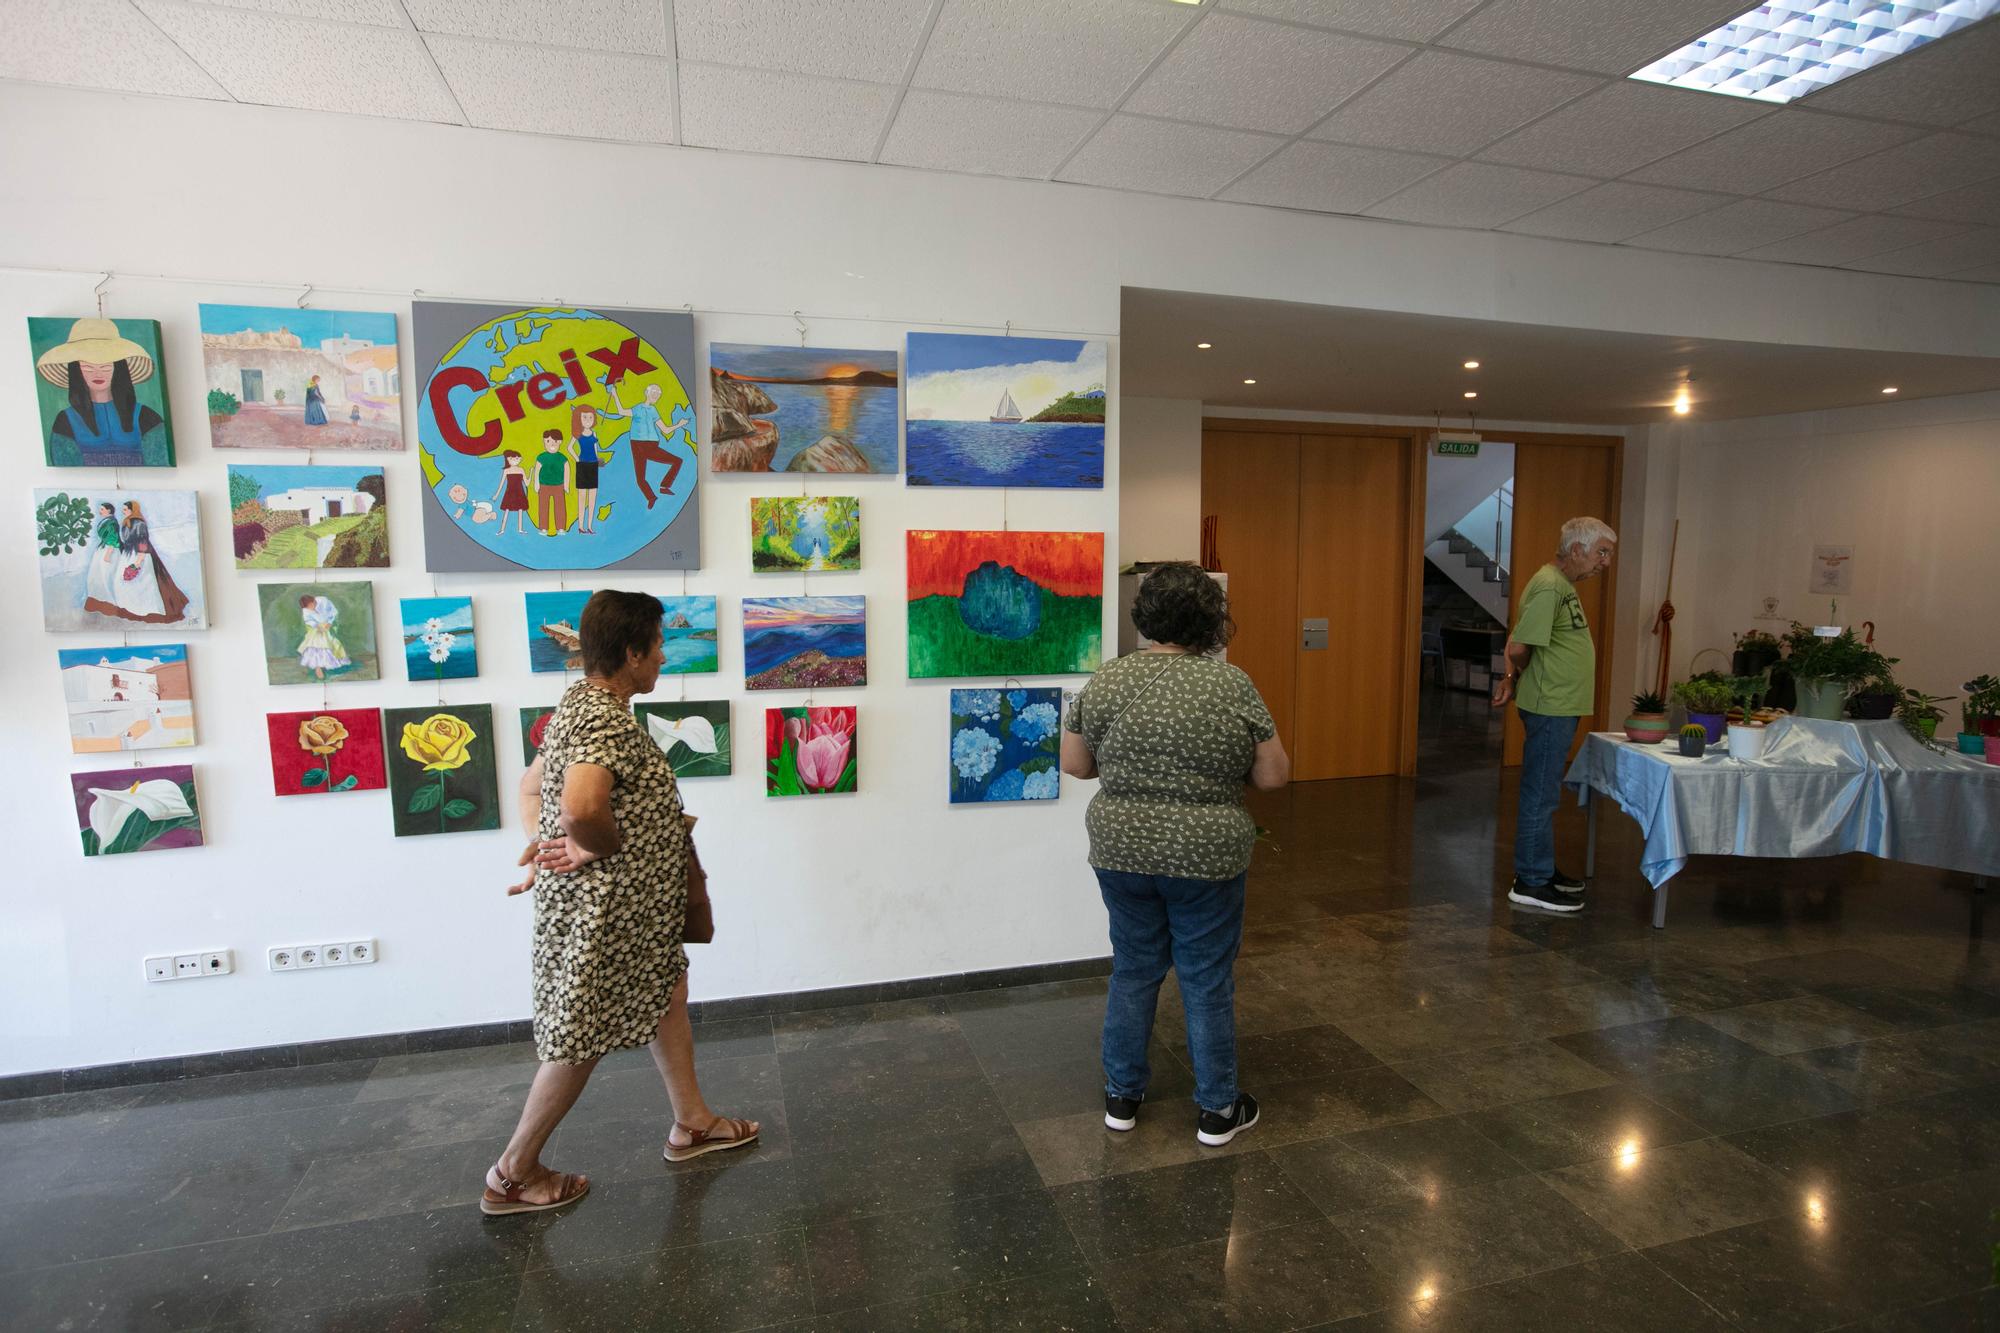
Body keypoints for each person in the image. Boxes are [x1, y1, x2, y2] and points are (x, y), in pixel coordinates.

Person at [483, 590, 757, 1217]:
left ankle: (692, 1124)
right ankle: (513, 1174)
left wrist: (549, 843)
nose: (664, 657)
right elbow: (581, 805)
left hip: (630, 915)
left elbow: (533, 787)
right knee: (581, 1036)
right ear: (632, 653)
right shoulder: (604, 719)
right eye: (658, 646)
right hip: (607, 915)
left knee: (668, 993)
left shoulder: (581, 705)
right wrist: (587, 845)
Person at [1060, 563, 1289, 1148]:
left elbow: (1075, 764)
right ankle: (1217, 1109)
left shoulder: (1107, 680)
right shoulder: (1231, 684)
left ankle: (1122, 1099)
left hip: (1121, 850)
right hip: (1206, 856)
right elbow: (1274, 777)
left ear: (1145, 618)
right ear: (1211, 621)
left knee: (1134, 969)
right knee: (1206, 978)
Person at [1491, 516, 1617, 913]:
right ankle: (1531, 880)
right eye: (1601, 552)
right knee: (1540, 795)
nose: (1605, 562)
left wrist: (1511, 676)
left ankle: (1541, 869)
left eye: (1608, 554)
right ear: (1576, 549)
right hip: (1550, 705)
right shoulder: (1549, 585)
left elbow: (1519, 633)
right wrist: (1513, 673)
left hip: (1559, 703)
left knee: (1545, 794)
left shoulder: (1560, 585)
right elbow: (1520, 644)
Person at [35, 318, 171, 466]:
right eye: (88, 367)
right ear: (76, 371)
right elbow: (65, 466)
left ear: (118, 369)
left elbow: (161, 459)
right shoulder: (65, 421)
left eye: (106, 366)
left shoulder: (146, 417)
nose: (97, 373)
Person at [85, 499, 190, 624]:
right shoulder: (127, 522)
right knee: (121, 583)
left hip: (140, 556)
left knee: (142, 585)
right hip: (128, 554)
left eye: (125, 509)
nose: (122, 512)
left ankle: (147, 613)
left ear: (132, 510)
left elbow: (142, 542)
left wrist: (138, 562)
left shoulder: (139, 524)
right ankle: (130, 610)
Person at [600, 381, 686, 509]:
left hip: (652, 446)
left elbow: (665, 430)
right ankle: (651, 497)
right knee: (640, 478)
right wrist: (615, 395)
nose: (656, 395)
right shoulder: (637, 408)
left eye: (658, 393)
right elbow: (622, 411)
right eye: (654, 392)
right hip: (638, 445)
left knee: (677, 461)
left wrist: (679, 424)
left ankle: (664, 486)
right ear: (647, 392)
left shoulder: (653, 410)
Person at [295, 593, 351, 682]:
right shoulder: (306, 610)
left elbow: (334, 611)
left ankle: (327, 663)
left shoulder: (323, 601)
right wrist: (318, 626)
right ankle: (318, 667)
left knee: (331, 643)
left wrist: (329, 622)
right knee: (316, 641)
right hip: (317, 627)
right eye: (308, 608)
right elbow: (308, 620)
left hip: (330, 624)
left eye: (311, 605)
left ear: (313, 600)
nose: (311, 609)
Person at [570, 405, 605, 534]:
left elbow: (596, 450)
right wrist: (577, 459)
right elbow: (570, 447)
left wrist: (598, 461)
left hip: (592, 466)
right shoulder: (578, 434)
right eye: (584, 417)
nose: (588, 420)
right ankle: (580, 526)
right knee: (582, 497)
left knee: (592, 497)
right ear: (579, 419)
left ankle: (589, 526)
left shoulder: (594, 433)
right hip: (582, 466)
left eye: (590, 417)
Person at [534, 428, 570, 536]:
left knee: (560, 507)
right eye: (548, 442)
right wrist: (536, 483)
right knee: (543, 507)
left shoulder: (562, 458)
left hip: (559, 486)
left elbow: (567, 471)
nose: (551, 444)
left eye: (554, 441)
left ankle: (561, 528)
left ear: (560, 442)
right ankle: (543, 528)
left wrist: (566, 485)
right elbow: (537, 470)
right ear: (544, 442)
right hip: (544, 485)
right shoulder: (541, 457)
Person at [490, 449, 531, 535]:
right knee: (507, 510)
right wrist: (496, 495)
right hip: (510, 493)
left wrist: (531, 473)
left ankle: (520, 529)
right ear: (509, 459)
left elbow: (526, 483)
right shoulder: (506, 470)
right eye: (515, 458)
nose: (517, 460)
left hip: (520, 493)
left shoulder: (521, 470)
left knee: (520, 510)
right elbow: (501, 484)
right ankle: (502, 529)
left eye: (518, 458)